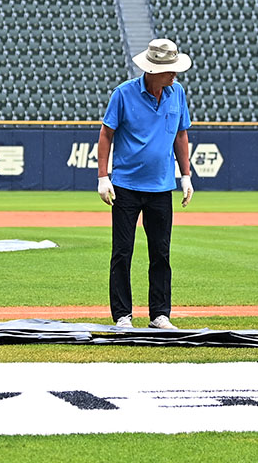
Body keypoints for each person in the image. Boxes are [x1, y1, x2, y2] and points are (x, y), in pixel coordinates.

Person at [96, 39, 195, 330]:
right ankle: (122, 316)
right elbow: (106, 134)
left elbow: (181, 135)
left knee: (161, 253)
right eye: (169, 70)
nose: (174, 75)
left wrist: (186, 175)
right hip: (126, 185)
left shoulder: (177, 94)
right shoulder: (123, 94)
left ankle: (160, 315)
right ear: (152, 70)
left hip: (162, 187)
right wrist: (103, 177)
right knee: (122, 252)